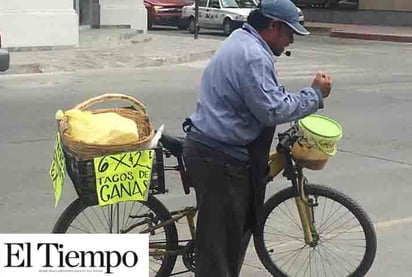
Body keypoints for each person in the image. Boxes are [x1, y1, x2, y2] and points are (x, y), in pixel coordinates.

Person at [182, 0, 332, 276]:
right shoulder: (253, 55)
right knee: (219, 249)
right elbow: (272, 110)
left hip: (215, 150)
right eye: (290, 33)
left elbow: (265, 96)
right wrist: (314, 95)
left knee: (228, 238)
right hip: (220, 157)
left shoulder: (242, 38)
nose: (291, 41)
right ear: (273, 26)